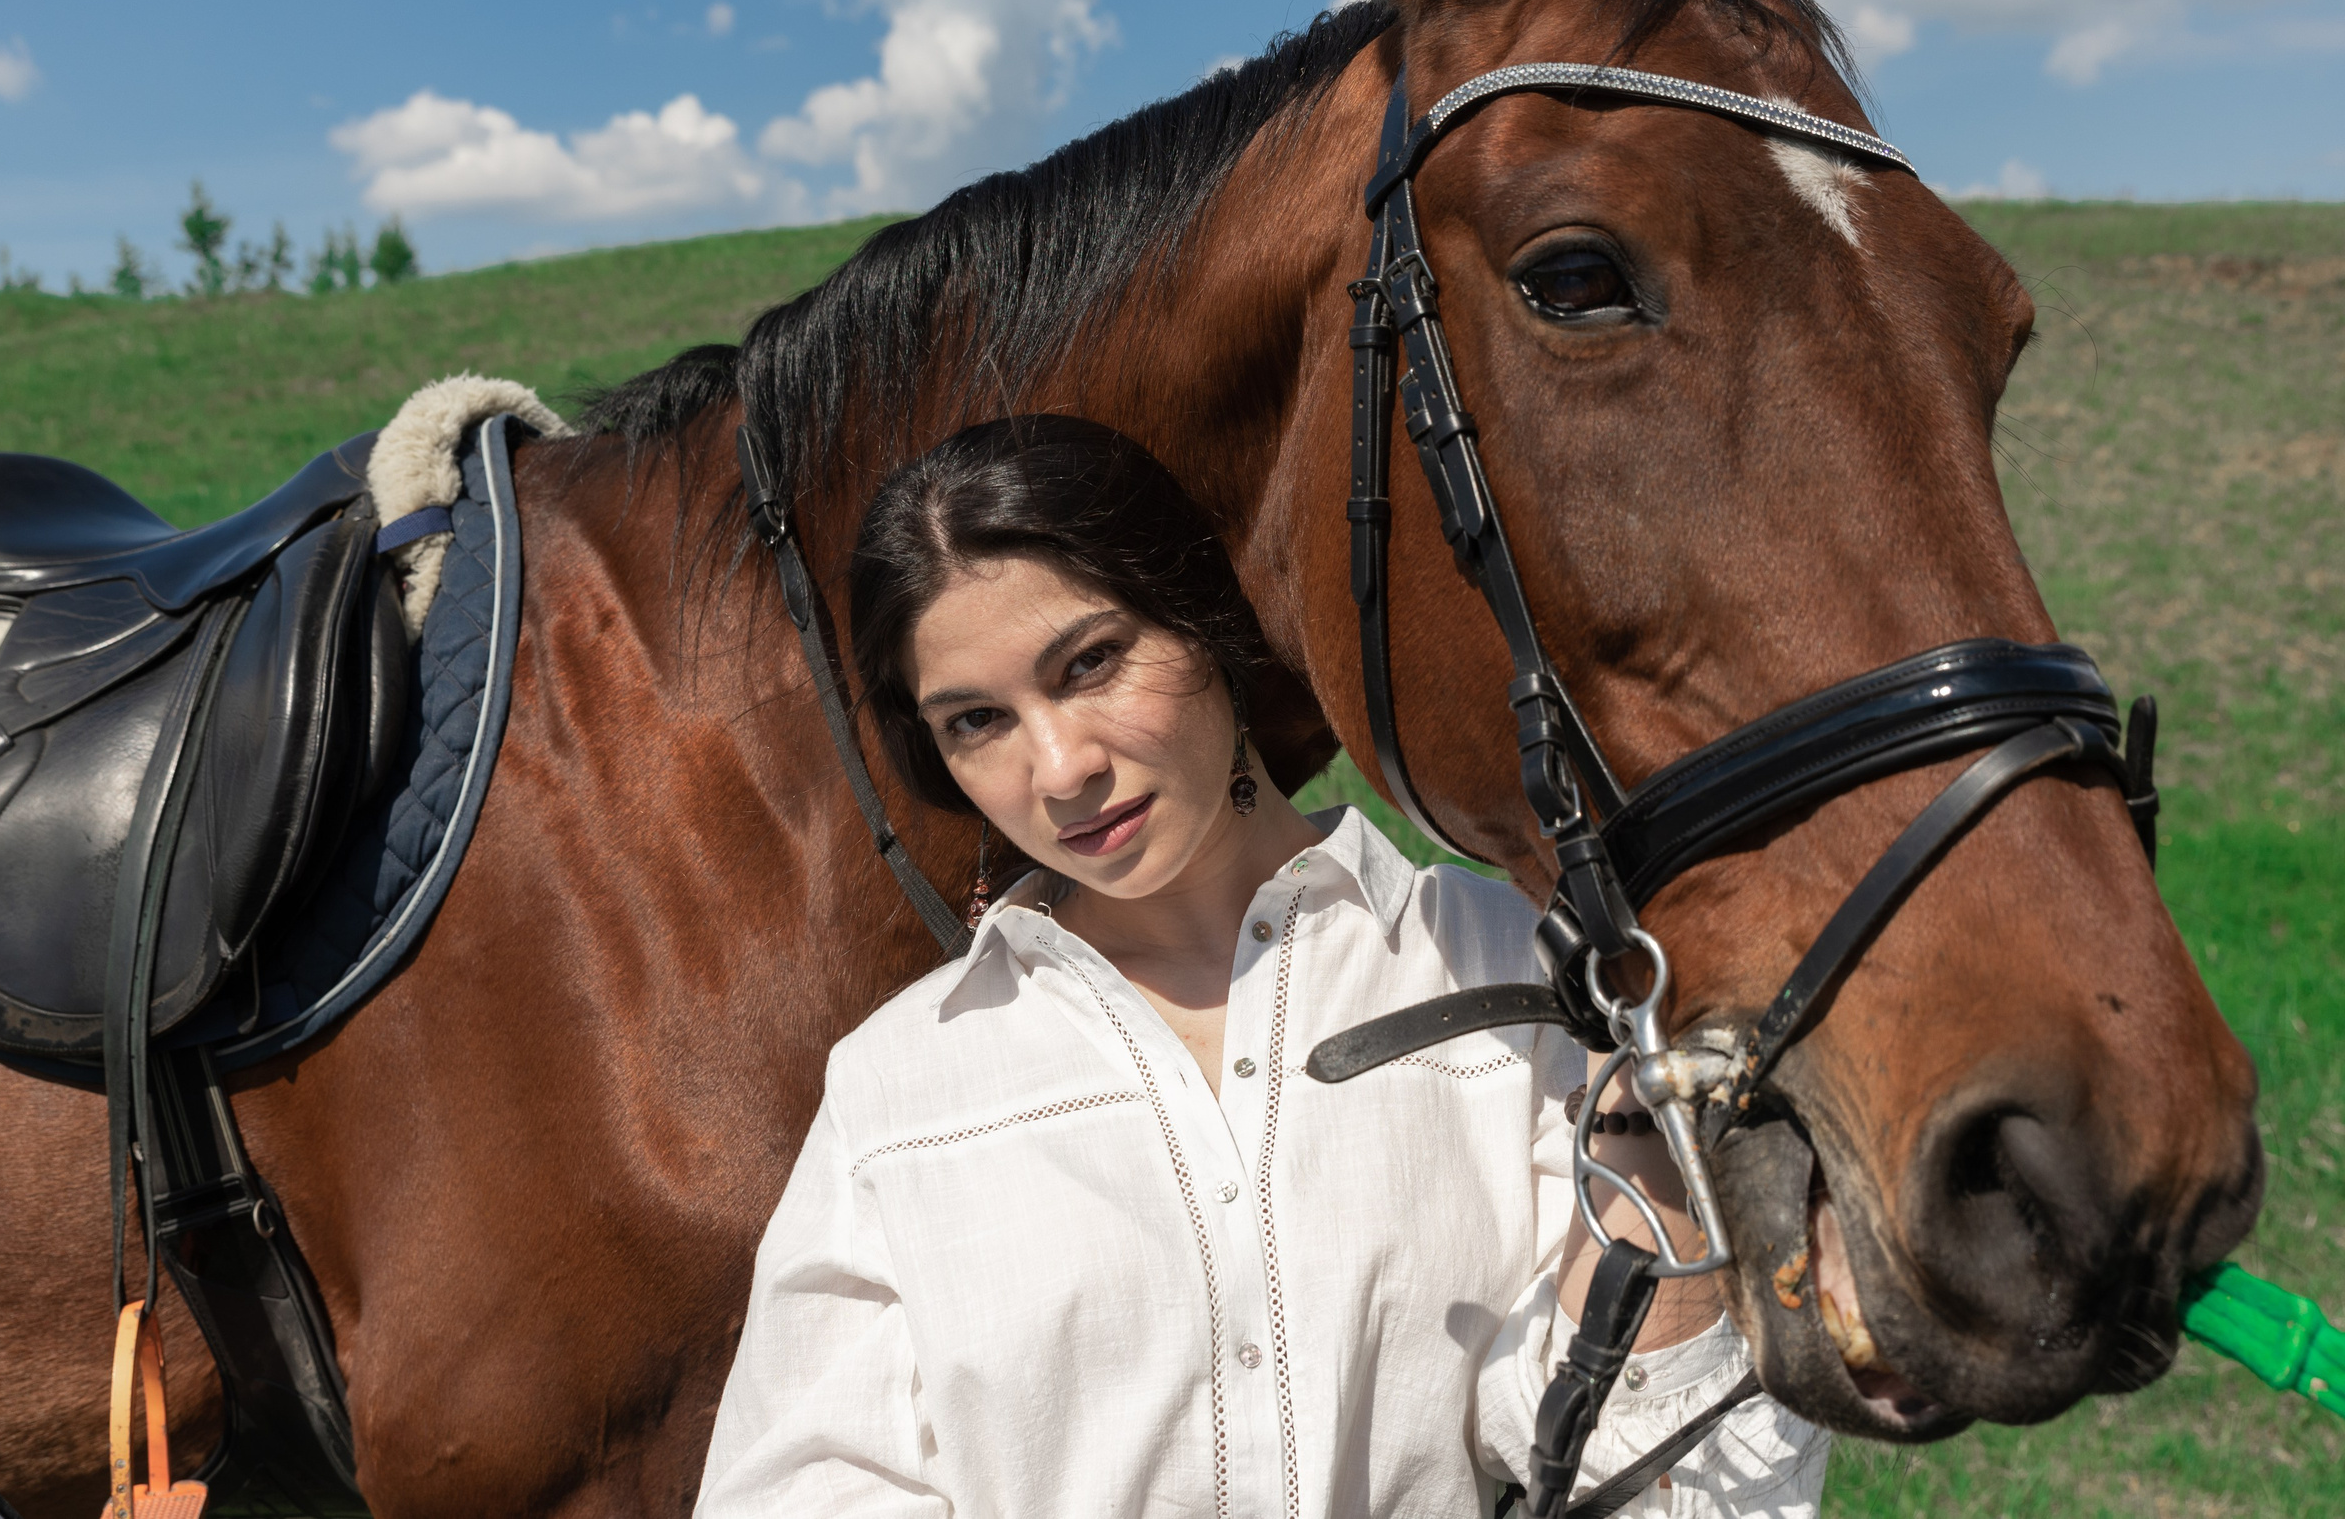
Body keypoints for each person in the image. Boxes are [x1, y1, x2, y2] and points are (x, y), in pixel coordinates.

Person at [696, 416, 1826, 1518]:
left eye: (1091, 662)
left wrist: (1650, 1131)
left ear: (1205, 621)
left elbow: (1670, 1480)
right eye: (978, 720)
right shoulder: (898, 1089)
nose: (1060, 767)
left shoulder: (1507, 965)